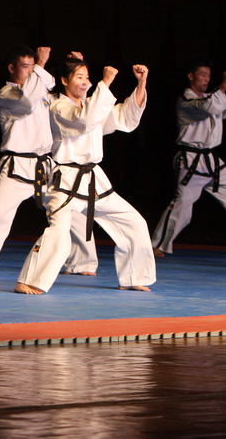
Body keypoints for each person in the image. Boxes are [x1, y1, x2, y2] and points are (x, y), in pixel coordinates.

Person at [16, 57, 155, 295]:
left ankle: (133, 276)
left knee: (133, 222)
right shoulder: (58, 107)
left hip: (93, 180)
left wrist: (141, 83)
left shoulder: (92, 105)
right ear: (64, 80)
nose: (85, 82)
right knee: (59, 231)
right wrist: (105, 83)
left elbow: (125, 118)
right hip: (66, 180)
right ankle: (28, 281)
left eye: (87, 77)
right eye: (79, 77)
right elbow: (83, 121)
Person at [0, 46, 97, 278]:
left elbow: (71, 96)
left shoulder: (43, 94)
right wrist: (41, 64)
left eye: (33, 67)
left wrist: (74, 66)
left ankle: (82, 262)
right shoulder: (7, 94)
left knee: (71, 209)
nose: (31, 71)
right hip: (17, 166)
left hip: (45, 166)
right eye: (26, 67)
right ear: (11, 68)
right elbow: (27, 101)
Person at [151, 59, 226, 257]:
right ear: (191, 76)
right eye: (202, 75)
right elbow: (209, 107)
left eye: (209, 76)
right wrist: (223, 87)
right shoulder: (186, 101)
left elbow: (219, 106)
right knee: (182, 205)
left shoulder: (211, 98)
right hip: (191, 160)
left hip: (212, 160)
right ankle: (157, 244)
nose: (206, 79)